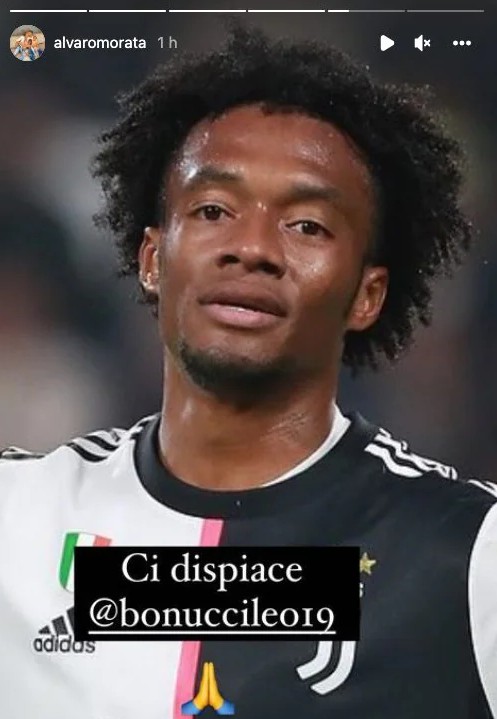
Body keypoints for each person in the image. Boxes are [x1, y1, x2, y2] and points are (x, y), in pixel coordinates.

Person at [1, 26, 495, 719]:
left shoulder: (468, 554)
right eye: (213, 210)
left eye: (307, 225)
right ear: (152, 259)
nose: (251, 246)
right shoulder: (16, 518)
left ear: (367, 294)